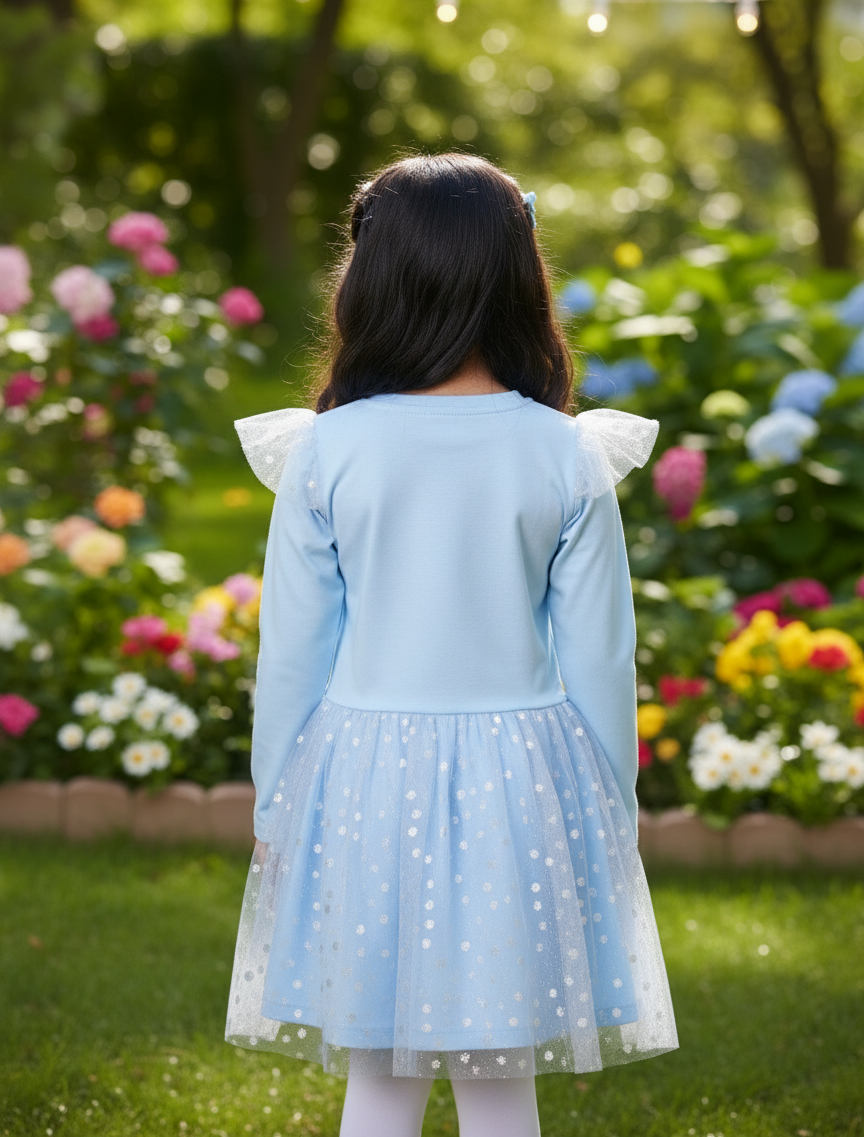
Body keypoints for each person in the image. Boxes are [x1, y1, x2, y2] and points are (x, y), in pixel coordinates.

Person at [225, 153, 678, 1137]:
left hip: (361, 781)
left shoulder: (327, 449)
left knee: (378, 1078)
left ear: (372, 280)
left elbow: (294, 648)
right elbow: (603, 652)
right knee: (499, 1078)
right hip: (522, 785)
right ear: (521, 276)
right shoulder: (563, 450)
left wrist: (275, 799)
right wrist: (614, 801)